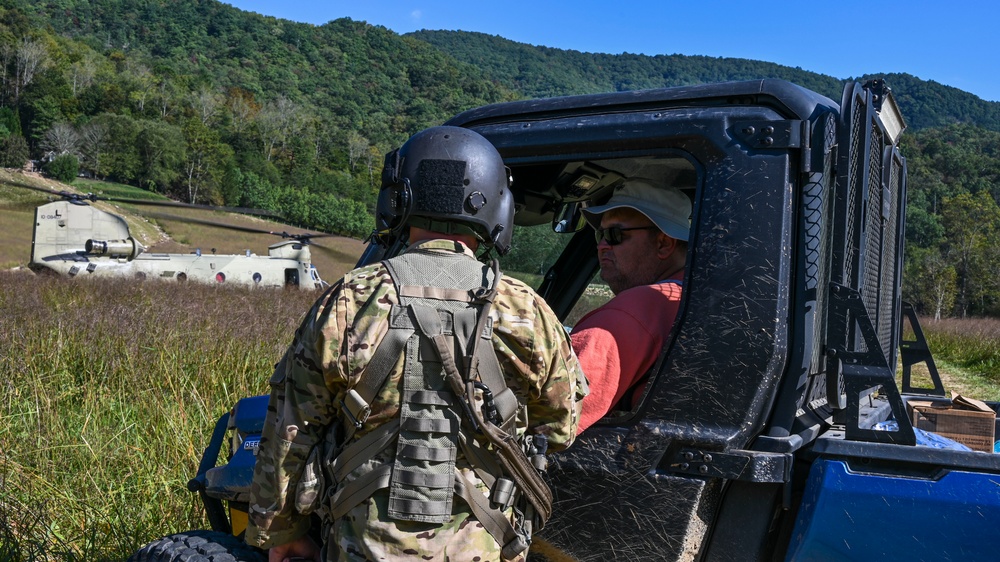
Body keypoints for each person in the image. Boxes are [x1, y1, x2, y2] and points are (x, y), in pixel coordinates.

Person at [245, 125, 585, 562]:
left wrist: (279, 533)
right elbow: (559, 428)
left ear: (398, 199)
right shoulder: (528, 311)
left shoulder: (349, 299)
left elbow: (291, 430)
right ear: (498, 205)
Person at [570, 179, 690, 432]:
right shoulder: (688, 298)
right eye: (600, 234)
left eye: (615, 234)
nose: (602, 245)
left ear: (664, 244)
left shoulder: (633, 311)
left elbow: (551, 413)